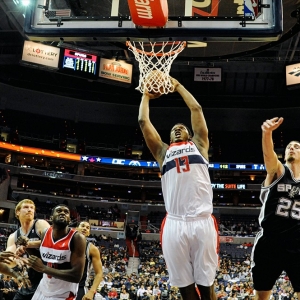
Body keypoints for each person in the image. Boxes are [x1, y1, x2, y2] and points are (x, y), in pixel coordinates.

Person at [138, 76, 218, 300]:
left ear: (190, 134)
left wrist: (178, 86)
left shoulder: (199, 145)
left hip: (202, 220)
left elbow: (197, 108)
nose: (177, 129)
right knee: (186, 289)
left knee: (206, 286)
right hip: (174, 223)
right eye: (173, 129)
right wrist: (145, 95)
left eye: (181, 127)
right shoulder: (162, 152)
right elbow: (144, 123)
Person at [251, 117, 300, 300]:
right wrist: (267, 133)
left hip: (296, 244)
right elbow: (269, 155)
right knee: (262, 296)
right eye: (289, 146)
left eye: (296, 146)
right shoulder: (278, 171)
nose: (291, 148)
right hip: (270, 242)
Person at [25, 204, 86, 300]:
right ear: (51, 218)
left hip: (63, 294)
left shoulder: (77, 238)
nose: (62, 213)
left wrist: (44, 269)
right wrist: (26, 247)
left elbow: (76, 276)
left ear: (69, 220)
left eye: (66, 212)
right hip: (43, 289)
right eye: (59, 211)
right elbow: (43, 260)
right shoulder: (45, 233)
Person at [6, 199, 50, 300]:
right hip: (30, 279)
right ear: (17, 212)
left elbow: (52, 243)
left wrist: (28, 245)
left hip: (47, 276)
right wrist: (16, 260)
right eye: (26, 207)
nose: (29, 210)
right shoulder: (14, 236)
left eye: (32, 208)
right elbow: (8, 261)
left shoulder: (40, 224)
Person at [75, 221, 103, 300]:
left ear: (89, 233)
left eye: (87, 228)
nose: (85, 229)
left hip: (80, 287)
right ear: (76, 229)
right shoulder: (66, 244)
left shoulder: (92, 249)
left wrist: (91, 291)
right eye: (82, 226)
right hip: (63, 286)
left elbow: (99, 273)